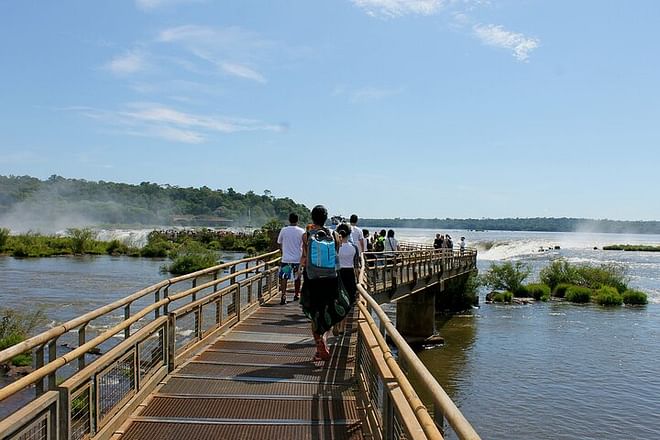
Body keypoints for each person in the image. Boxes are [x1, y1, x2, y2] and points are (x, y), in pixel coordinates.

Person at [300, 205, 351, 361]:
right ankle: (324, 342)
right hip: (331, 279)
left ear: (312, 217)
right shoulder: (335, 235)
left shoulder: (306, 235)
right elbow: (336, 255)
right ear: (326, 218)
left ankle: (319, 345)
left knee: (314, 313)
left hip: (312, 279)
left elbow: (304, 259)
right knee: (328, 312)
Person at [334, 223, 360, 335]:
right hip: (349, 275)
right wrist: (358, 281)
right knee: (347, 301)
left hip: (337, 274)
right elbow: (356, 266)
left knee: (336, 299)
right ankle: (342, 327)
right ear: (349, 234)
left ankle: (335, 322)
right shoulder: (354, 248)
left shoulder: (334, 247)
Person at [277, 213, 305, 304]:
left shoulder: (284, 230)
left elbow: (279, 241)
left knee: (284, 277)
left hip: (286, 258)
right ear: (297, 220)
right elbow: (304, 244)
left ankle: (283, 295)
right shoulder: (301, 231)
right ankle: (297, 294)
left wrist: (283, 251)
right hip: (297, 258)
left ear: (289, 220)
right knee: (297, 277)